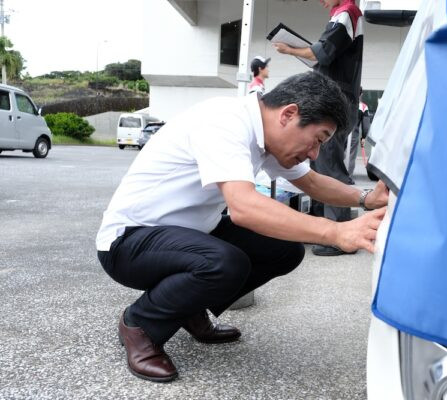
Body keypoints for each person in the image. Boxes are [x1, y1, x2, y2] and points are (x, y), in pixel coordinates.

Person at [96, 72, 388, 383]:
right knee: (224, 263)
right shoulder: (224, 121)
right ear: (288, 114)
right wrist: (335, 231)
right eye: (318, 139)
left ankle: (185, 307)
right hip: (128, 242)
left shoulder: (267, 137)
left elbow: (313, 182)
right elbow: (244, 208)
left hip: (183, 238)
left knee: (284, 250)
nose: (315, 154)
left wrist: (367, 198)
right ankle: (140, 324)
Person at [274, 0, 364, 257]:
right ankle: (324, 226)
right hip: (333, 97)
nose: (322, 3)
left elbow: (321, 53)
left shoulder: (347, 12)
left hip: (336, 99)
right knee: (320, 162)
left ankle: (341, 235)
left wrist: (291, 49)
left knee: (329, 164)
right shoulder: (343, 13)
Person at [346, 88, 370, 177]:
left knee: (339, 154)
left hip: (340, 133)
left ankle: (336, 175)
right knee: (351, 155)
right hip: (353, 134)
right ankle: (348, 176)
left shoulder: (343, 103)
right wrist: (363, 137)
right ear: (361, 94)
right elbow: (366, 125)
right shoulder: (363, 107)